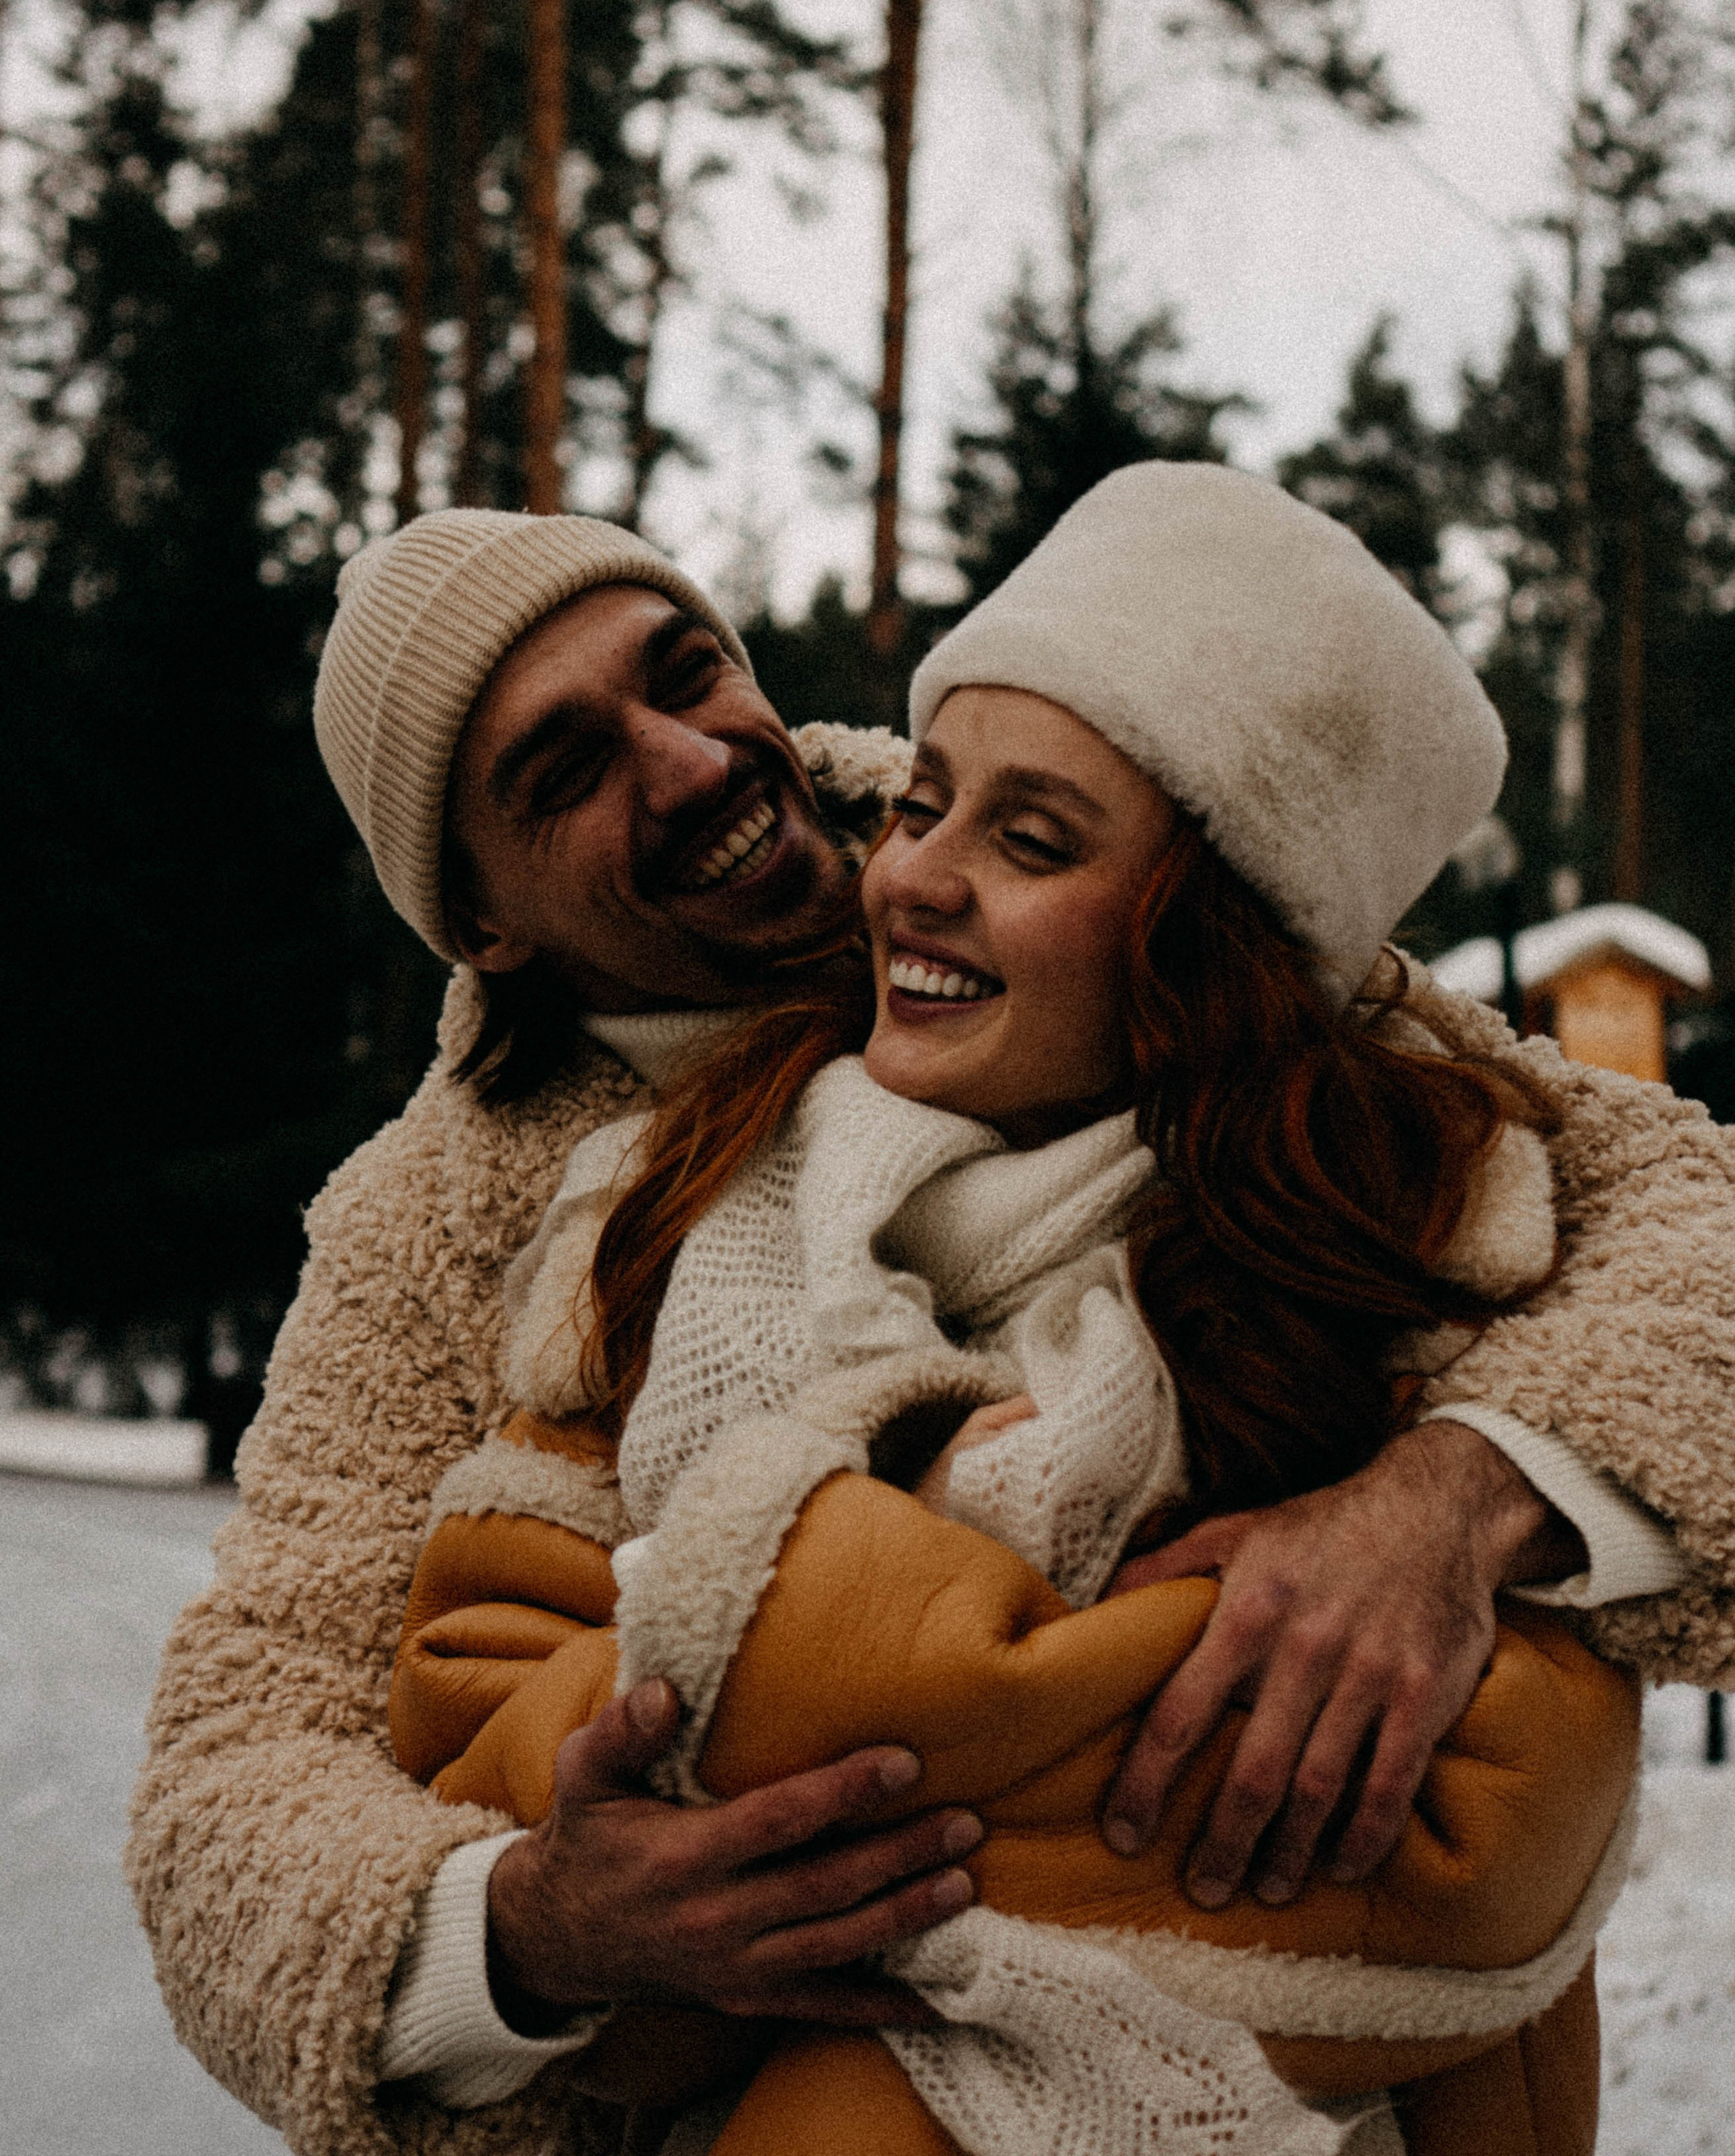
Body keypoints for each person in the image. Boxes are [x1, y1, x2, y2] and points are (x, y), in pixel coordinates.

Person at [129, 498, 1735, 2156]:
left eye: (687, 673)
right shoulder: (437, 1230)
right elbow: (230, 1786)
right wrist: (536, 1928)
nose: (685, 764)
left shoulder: (1084, 823)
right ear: (482, 922)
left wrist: (1449, 1501)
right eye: (566, 770)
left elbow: (1668, 1200)